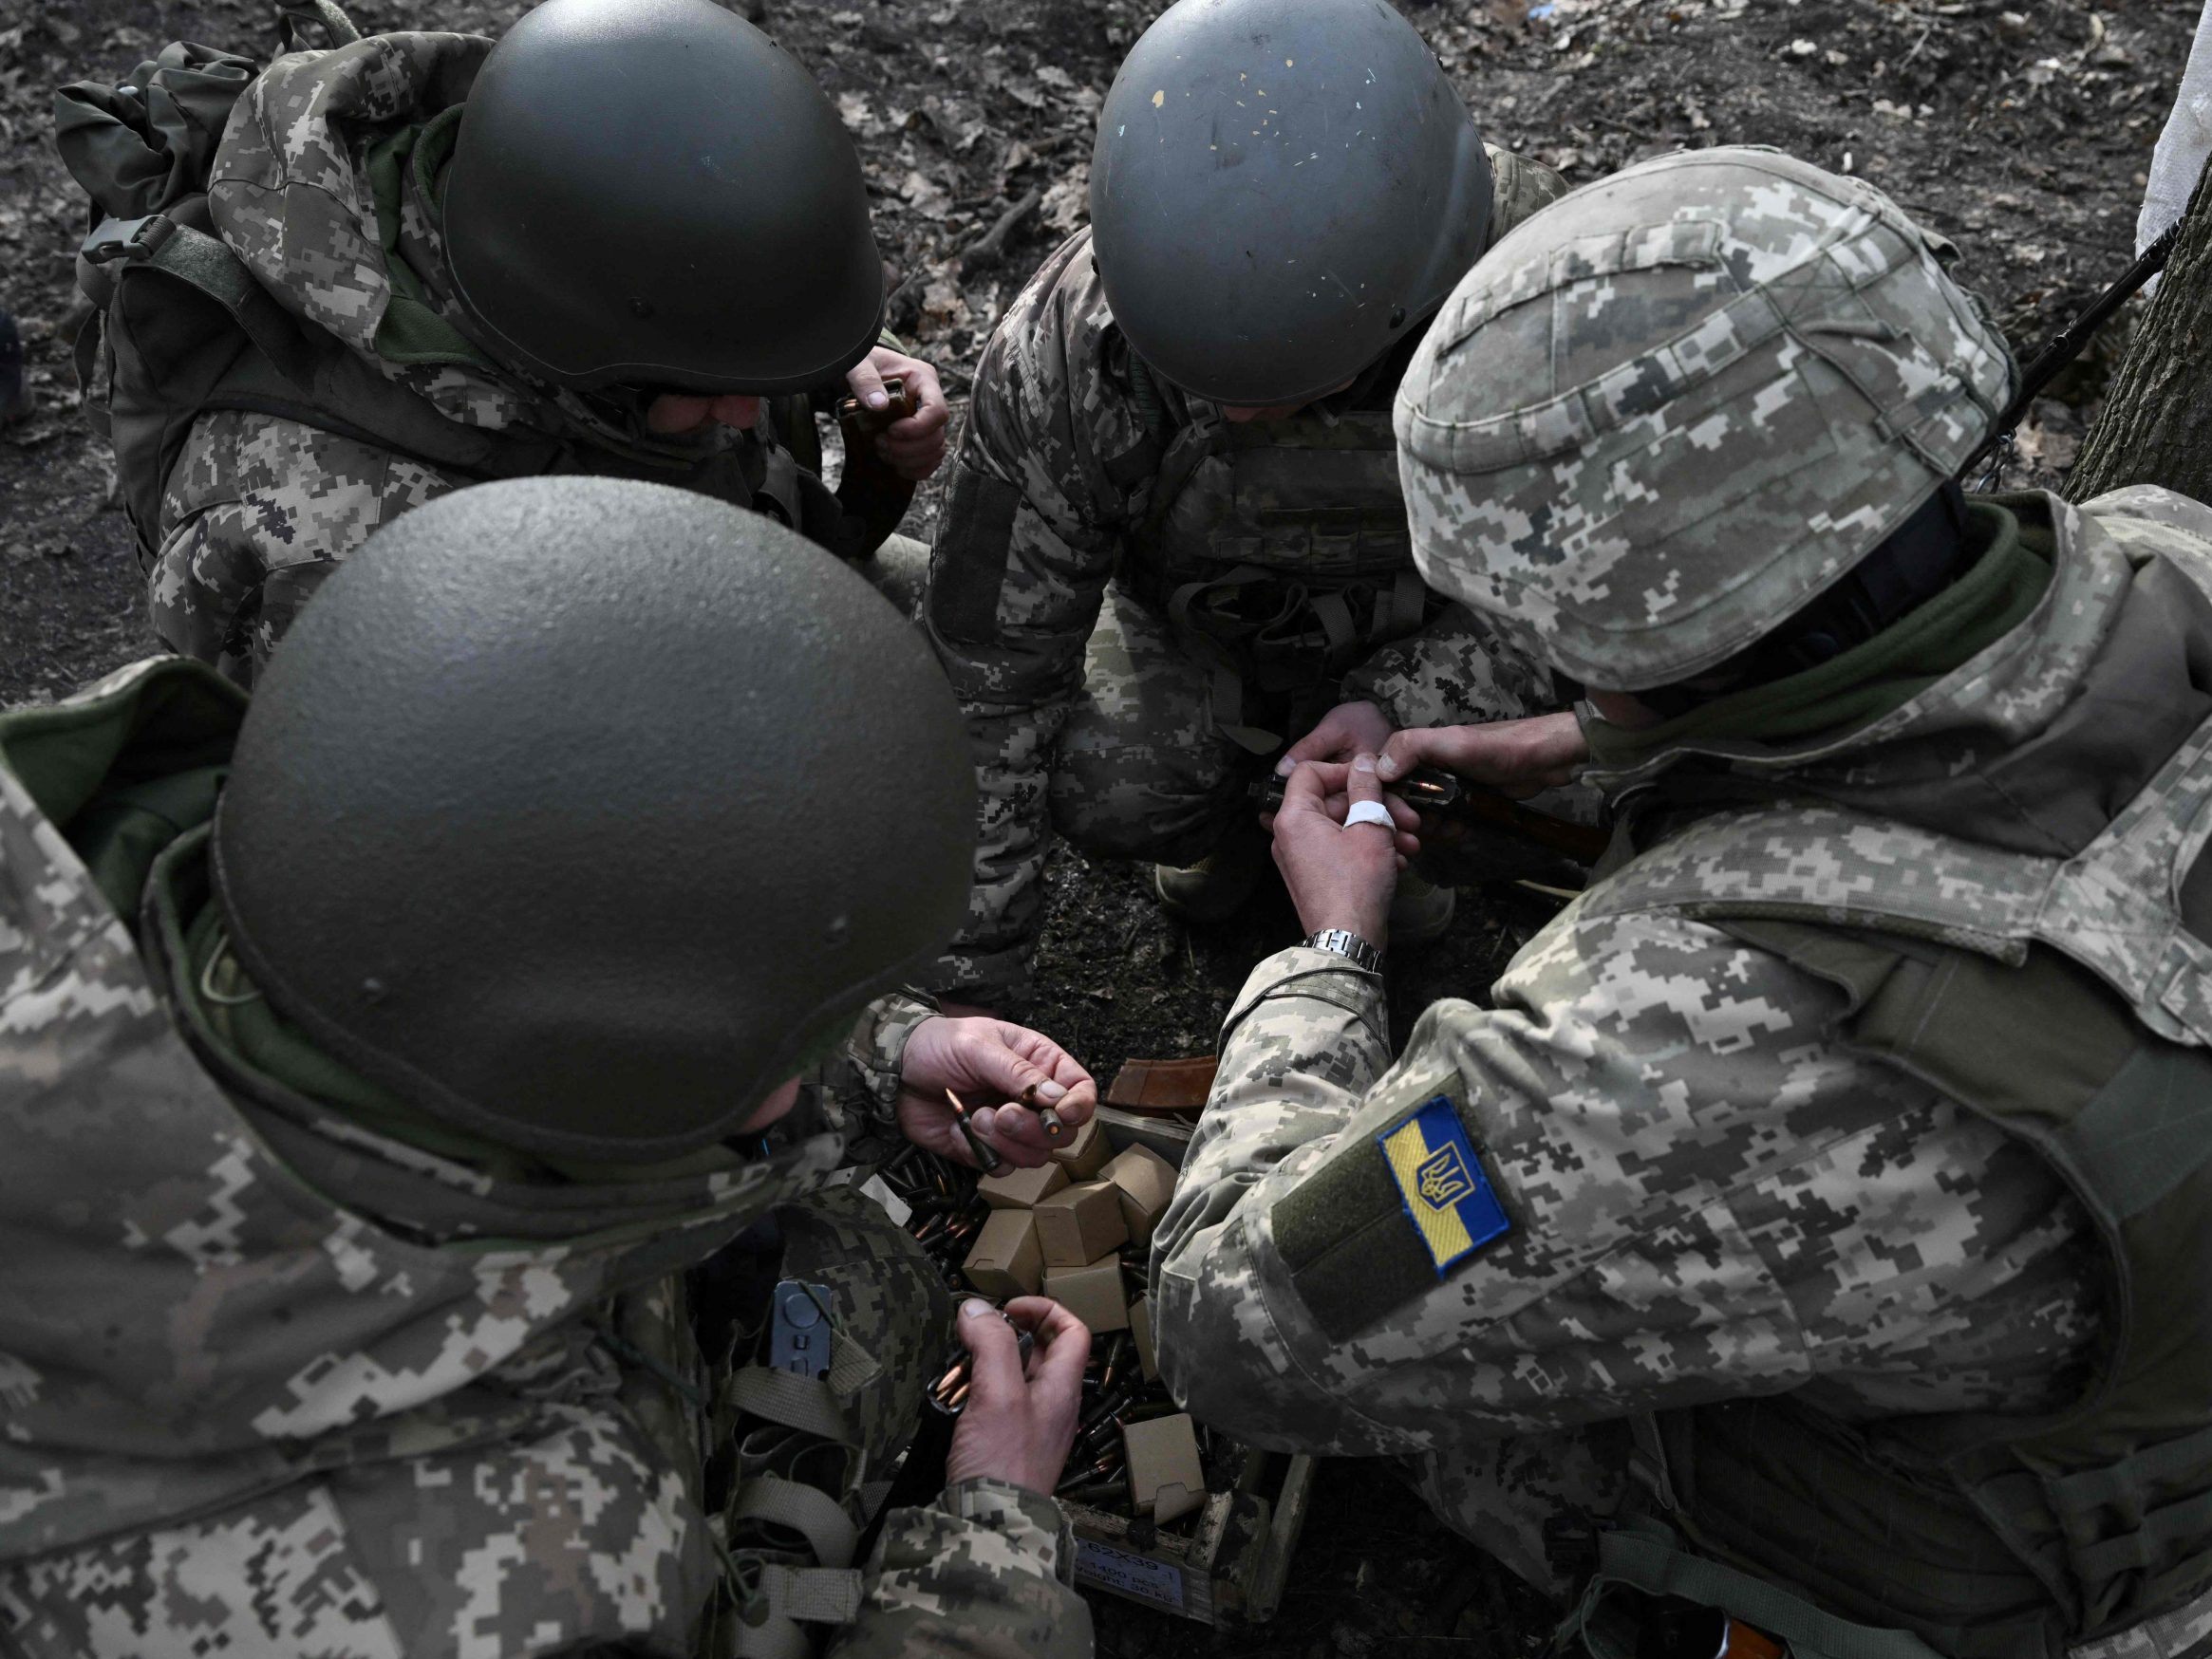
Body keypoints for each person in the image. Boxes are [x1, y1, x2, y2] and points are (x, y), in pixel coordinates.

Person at [1151, 146, 2212, 1659]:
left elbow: (1231, 1329)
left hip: (2066, 1576)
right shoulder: (2172, 553)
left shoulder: (1682, 1035)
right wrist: (1585, 750)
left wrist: (1330, 946)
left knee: (1457, 1408)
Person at [0, 476, 1095, 1658]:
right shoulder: (528, 1581)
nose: (807, 1068)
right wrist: (996, 1530)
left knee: (846, 1262)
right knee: (853, 1294)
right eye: (801, 1043)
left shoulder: (192, 875)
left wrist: (877, 1053)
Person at [919, 0, 1574, 1007]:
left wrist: (1405, 708)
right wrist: (962, 1001)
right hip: (1202, 647)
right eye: (1196, 381)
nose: (1230, 414)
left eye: (1281, 387)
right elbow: (989, 677)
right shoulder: (1071, 347)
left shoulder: (1548, 308)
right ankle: (1235, 829)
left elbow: (1609, 601)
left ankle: (1390, 841)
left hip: (1449, 643)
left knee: (1571, 781)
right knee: (1115, 775)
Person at [57, 0, 951, 687]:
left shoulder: (555, 207)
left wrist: (822, 366)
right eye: (712, 385)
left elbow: (687, 305)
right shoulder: (342, 552)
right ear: (568, 351)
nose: (748, 412)